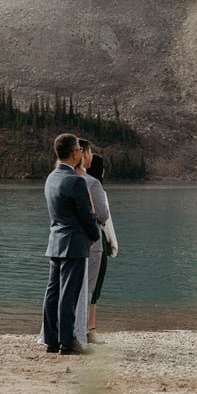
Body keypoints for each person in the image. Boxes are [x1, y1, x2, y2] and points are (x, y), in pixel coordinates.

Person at [42, 132, 99, 357]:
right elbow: (87, 215)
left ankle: (51, 340)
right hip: (74, 242)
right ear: (75, 153)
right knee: (69, 294)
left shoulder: (51, 178)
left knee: (53, 292)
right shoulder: (76, 181)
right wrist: (93, 236)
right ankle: (68, 342)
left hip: (56, 240)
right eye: (78, 150)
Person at [73, 139, 112, 351]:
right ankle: (84, 331)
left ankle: (74, 329)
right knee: (88, 288)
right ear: (83, 154)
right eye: (87, 152)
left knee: (69, 286)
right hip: (92, 240)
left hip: (68, 240)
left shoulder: (59, 178)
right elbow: (102, 214)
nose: (88, 156)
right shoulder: (91, 183)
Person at [86, 151, 119, 344]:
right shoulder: (96, 187)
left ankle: (85, 327)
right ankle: (91, 328)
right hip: (98, 243)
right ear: (102, 171)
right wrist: (112, 245)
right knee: (94, 288)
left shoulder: (80, 182)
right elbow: (105, 219)